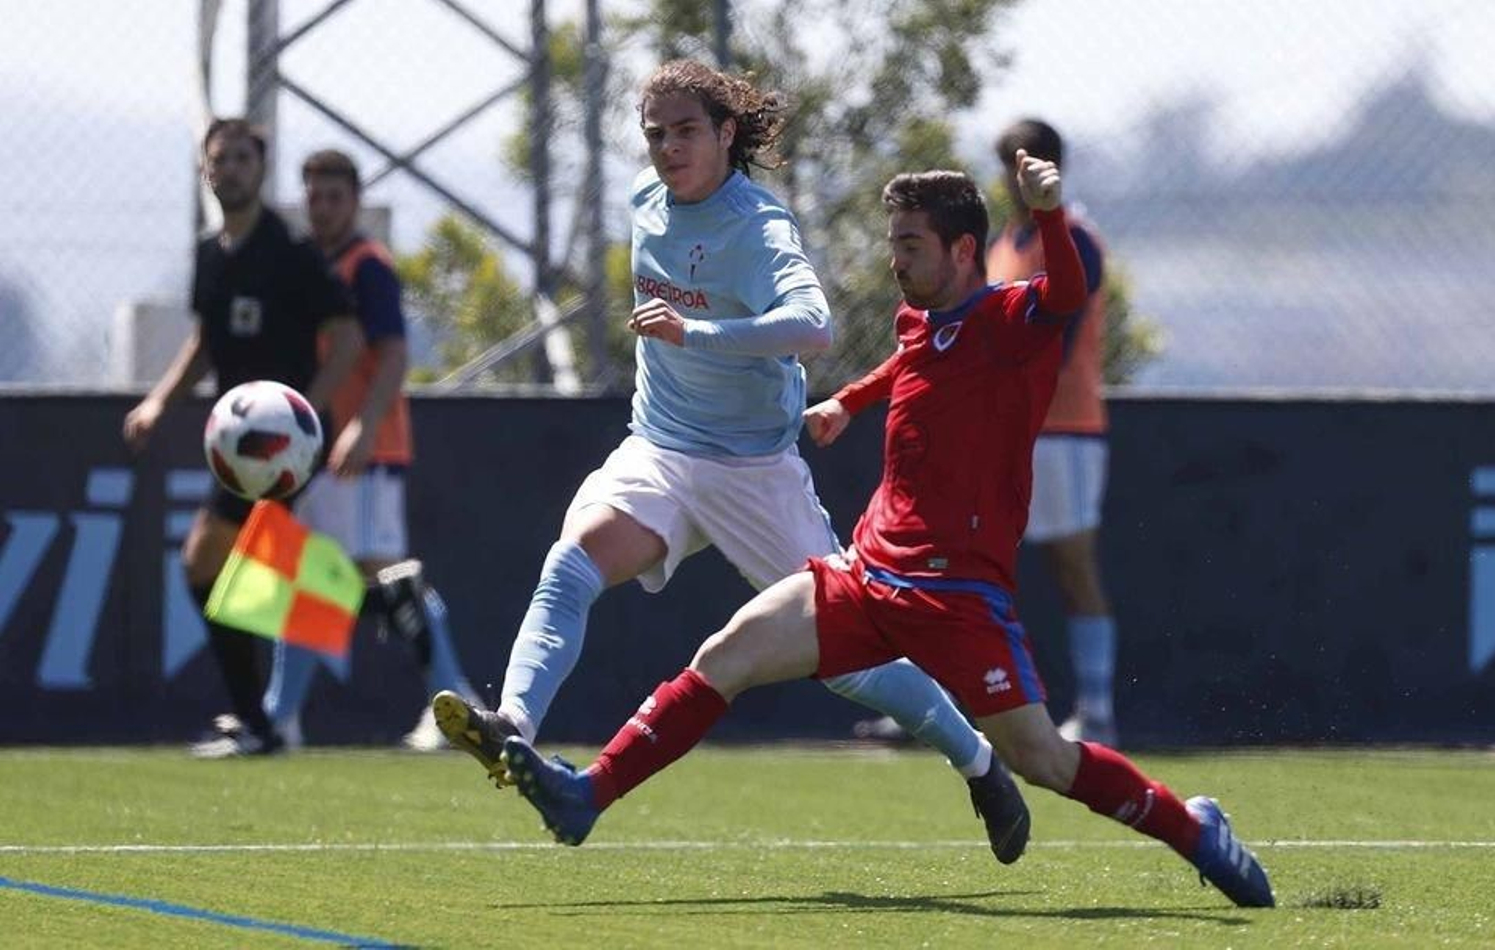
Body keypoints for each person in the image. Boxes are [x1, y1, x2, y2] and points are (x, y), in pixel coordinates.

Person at [494, 160, 1277, 909]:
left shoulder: (1011, 320)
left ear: (964, 250)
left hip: (960, 596)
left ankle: (1193, 828)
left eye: (910, 245)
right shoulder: (923, 322)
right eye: (892, 243)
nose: (895, 261)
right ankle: (586, 795)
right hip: (868, 577)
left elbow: (1068, 292)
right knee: (721, 658)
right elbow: (912, 361)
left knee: (1041, 759)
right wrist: (850, 404)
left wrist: (1047, 213)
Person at [431, 59, 1031, 863]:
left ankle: (981, 763)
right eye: (655, 134)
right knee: (570, 567)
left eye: (686, 131)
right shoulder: (646, 204)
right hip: (662, 452)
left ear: (724, 134)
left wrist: (695, 332)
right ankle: (513, 726)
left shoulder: (759, 227)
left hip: (756, 473)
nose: (668, 148)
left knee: (854, 665)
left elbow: (813, 328)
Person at [857, 117, 1122, 746]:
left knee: (1071, 565)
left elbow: (1048, 332)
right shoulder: (1001, 242)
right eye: (1006, 164)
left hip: (1064, 429)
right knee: (952, 560)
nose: (1010, 177)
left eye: (1021, 164)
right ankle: (928, 706)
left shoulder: (1074, 240)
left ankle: (1099, 708)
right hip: (1000, 429)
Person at [122, 118, 364, 758]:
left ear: (261, 169)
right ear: (205, 169)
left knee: (215, 562)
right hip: (240, 448)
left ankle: (260, 720)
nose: (228, 168)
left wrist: (301, 417)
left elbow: (347, 339)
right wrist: (157, 402)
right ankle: (266, 713)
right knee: (240, 571)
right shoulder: (209, 252)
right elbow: (205, 344)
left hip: (283, 451)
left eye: (241, 159)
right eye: (218, 158)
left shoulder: (290, 250)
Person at [257, 148, 487, 752]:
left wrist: (361, 425)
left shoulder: (368, 265)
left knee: (384, 578)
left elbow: (392, 355)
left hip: (364, 449)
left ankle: (456, 704)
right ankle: (278, 717)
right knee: (312, 580)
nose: (324, 206)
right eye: (314, 195)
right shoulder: (308, 265)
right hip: (317, 452)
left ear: (355, 201)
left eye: (335, 196)